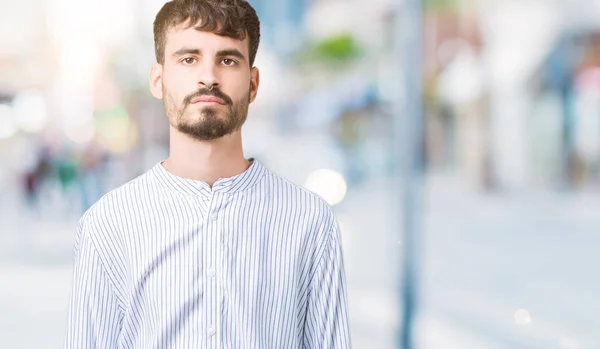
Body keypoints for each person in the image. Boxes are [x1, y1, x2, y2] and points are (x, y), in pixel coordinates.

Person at [64, 0, 351, 348]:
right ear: (158, 80)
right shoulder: (108, 224)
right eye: (188, 59)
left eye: (228, 60)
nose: (209, 77)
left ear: (254, 83)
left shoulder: (310, 221)